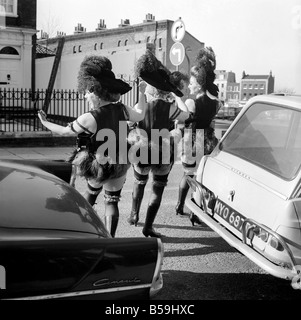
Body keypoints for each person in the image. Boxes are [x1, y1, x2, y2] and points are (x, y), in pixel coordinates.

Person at [38, 55, 147, 238]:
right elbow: (140, 114)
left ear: (96, 92)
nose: (85, 95)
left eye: (88, 92)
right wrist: (142, 93)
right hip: (120, 160)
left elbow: (64, 131)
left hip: (98, 164)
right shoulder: (121, 109)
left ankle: (84, 234)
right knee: (112, 202)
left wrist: (44, 121)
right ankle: (109, 241)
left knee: (89, 197)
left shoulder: (89, 117)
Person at [127, 50, 190, 238]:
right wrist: (178, 96)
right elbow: (186, 115)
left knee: (139, 182)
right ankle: (148, 227)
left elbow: (130, 122)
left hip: (141, 150)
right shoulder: (170, 108)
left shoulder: (142, 104)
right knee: (158, 188)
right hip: (163, 152)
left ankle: (133, 214)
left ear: (151, 88)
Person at [174, 47, 221, 225]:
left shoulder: (190, 101)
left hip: (191, 140)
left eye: (192, 82)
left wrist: (176, 97)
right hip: (207, 139)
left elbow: (183, 116)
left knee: (188, 175)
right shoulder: (216, 102)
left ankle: (181, 206)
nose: (190, 85)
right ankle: (195, 212)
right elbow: (212, 123)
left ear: (199, 83)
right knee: (199, 177)